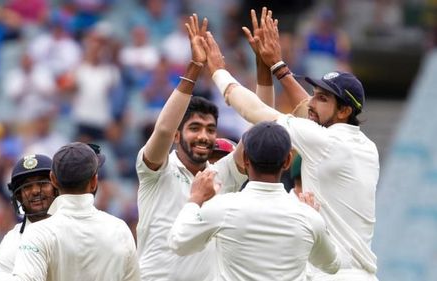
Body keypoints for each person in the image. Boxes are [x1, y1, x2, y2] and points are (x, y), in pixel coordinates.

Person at [202, 10, 379, 280]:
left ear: (343, 111)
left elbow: (255, 112)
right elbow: (306, 112)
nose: (312, 103)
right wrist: (278, 67)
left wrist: (218, 72)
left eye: (322, 98)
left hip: (331, 274)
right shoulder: (366, 146)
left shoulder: (325, 142)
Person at [136, 14, 247, 281]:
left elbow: (259, 137)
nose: (204, 137)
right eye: (195, 128)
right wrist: (195, 67)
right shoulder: (155, 171)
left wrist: (265, 68)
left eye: (210, 130)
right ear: (177, 136)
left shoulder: (220, 174)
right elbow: (162, 129)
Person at [169, 121, 340, 280]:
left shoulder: (222, 207)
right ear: (287, 161)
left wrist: (195, 199)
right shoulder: (308, 217)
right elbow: (332, 265)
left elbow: (178, 242)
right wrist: (316, 220)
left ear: (245, 159)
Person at [0, 142, 139, 280]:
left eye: (42, 183)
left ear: (54, 182)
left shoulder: (39, 234)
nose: (35, 191)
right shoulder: (119, 228)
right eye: (27, 187)